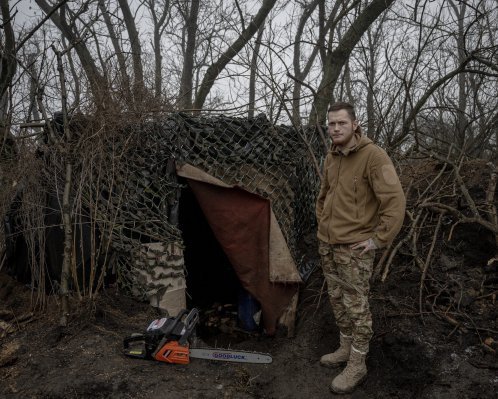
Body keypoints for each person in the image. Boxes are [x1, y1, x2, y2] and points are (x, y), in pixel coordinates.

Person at [316, 101, 406, 394]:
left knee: (357, 307)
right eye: (331, 124)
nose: (336, 128)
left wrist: (378, 239)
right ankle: (344, 348)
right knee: (337, 301)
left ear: (355, 124)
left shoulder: (374, 156)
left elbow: (394, 202)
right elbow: (324, 194)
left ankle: (357, 364)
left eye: (341, 123)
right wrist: (323, 224)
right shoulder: (332, 157)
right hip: (328, 245)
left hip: (354, 249)